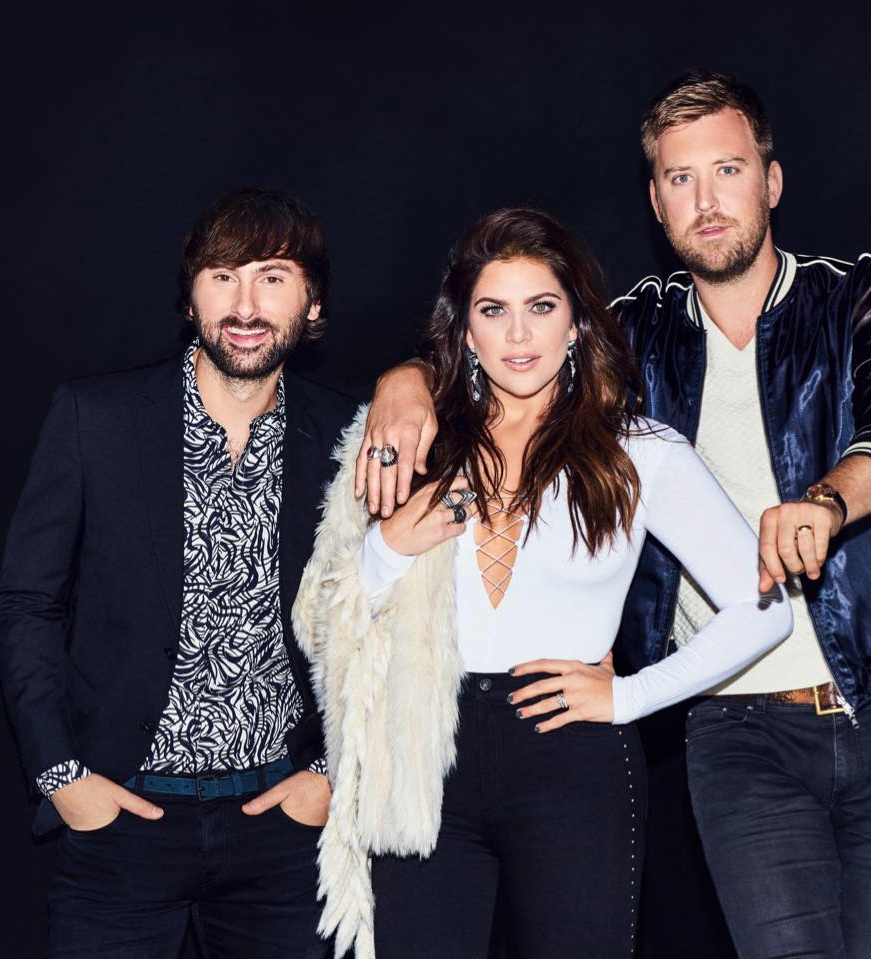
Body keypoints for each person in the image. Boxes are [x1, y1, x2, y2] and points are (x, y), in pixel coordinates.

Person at [363, 73, 871, 959]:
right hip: (733, 722)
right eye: (681, 178)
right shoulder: (634, 333)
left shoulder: (853, 294)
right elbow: (515, 337)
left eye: (727, 170)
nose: (705, 201)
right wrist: (402, 380)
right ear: (655, 201)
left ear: (771, 181)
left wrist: (828, 500)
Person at [293, 207, 793, 959]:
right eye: (494, 311)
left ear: (576, 324)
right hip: (425, 753)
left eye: (542, 307)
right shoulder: (412, 441)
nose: (519, 334)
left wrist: (630, 696)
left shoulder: (639, 452)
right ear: (466, 330)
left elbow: (766, 610)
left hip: (573, 759)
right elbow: (320, 624)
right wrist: (388, 548)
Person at [0, 187, 357, 959]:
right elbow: (27, 602)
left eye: (273, 277)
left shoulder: (347, 435)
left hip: (282, 827)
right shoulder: (96, 418)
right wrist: (60, 774)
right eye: (223, 276)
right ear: (190, 300)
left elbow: (381, 618)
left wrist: (335, 773)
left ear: (313, 303)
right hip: (122, 819)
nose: (246, 305)